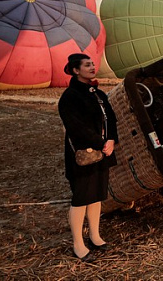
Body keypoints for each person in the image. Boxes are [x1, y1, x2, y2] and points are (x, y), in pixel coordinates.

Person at [58, 53, 119, 261]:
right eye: (87, 65)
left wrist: (111, 139)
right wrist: (100, 143)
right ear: (76, 70)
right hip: (84, 154)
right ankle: (78, 244)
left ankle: (95, 235)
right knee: (81, 198)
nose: (93, 67)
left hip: (103, 152)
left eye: (93, 63)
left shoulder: (98, 94)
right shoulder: (69, 97)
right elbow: (76, 127)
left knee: (97, 195)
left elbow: (111, 117)